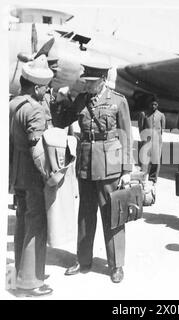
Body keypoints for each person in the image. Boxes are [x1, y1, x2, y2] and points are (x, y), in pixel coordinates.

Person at [62, 62, 133, 283]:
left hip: (109, 165)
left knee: (112, 214)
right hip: (85, 163)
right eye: (86, 82)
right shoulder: (82, 99)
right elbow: (62, 120)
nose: (88, 85)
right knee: (85, 214)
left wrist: (127, 170)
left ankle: (116, 264)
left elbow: (126, 135)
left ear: (103, 80)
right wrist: (60, 98)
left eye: (92, 82)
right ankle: (83, 260)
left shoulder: (118, 101)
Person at [9, 55, 54, 297]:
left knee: (22, 223)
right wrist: (49, 175)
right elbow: (37, 149)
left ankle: (19, 273)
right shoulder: (35, 109)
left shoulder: (13, 104)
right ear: (37, 87)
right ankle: (31, 282)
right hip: (33, 177)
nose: (47, 91)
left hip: (17, 175)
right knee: (36, 225)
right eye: (45, 87)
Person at [138, 95, 165, 184]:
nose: (154, 106)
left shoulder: (161, 115)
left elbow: (162, 129)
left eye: (155, 104)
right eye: (152, 104)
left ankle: (153, 179)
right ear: (149, 104)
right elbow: (141, 127)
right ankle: (142, 178)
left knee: (156, 160)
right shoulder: (143, 114)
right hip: (147, 141)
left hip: (157, 141)